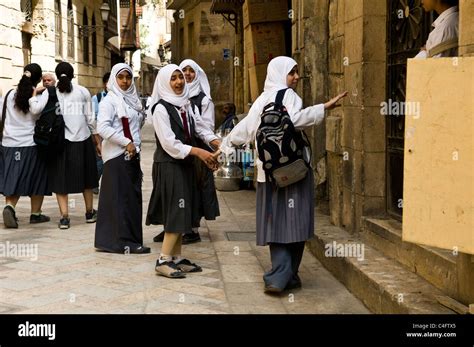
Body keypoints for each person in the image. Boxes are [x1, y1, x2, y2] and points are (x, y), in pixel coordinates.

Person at [220, 56, 347, 293]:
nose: (296, 77)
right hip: (294, 170)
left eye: (297, 72)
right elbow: (296, 120)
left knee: (274, 222)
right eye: (292, 73)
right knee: (296, 221)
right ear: (281, 74)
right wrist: (324, 107)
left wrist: (224, 145)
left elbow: (246, 129)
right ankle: (280, 276)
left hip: (268, 173)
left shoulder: (261, 99)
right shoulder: (289, 96)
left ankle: (285, 274)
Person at [146, 64, 220, 278]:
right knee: (176, 210)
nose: (179, 82)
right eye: (174, 78)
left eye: (181, 77)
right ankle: (163, 260)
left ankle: (176, 257)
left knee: (185, 208)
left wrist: (215, 142)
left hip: (185, 164)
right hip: (170, 166)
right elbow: (170, 143)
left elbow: (200, 128)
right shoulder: (160, 109)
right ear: (164, 82)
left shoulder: (186, 105)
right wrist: (199, 152)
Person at [94, 63, 149, 254]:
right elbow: (102, 128)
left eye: (128, 77)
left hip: (132, 154)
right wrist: (126, 142)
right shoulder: (109, 101)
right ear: (114, 80)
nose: (125, 81)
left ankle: (124, 239)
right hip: (117, 156)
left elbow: (137, 123)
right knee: (121, 200)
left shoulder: (132, 100)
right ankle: (122, 242)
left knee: (130, 198)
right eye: (121, 77)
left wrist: (134, 144)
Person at [48, 62, 99, 229]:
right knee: (87, 177)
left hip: (60, 142)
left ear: (57, 75)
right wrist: (97, 141)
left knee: (61, 179)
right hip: (83, 140)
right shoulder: (83, 91)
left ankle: (64, 217)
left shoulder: (51, 93)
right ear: (72, 75)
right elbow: (90, 118)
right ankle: (90, 213)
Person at [0, 63, 51, 228]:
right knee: (37, 177)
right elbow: (38, 112)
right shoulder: (38, 96)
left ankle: (10, 206)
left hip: (8, 144)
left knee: (13, 176)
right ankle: (35, 214)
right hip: (30, 144)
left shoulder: (8, 95)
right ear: (38, 80)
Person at [91, 72, 110, 194]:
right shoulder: (96, 98)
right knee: (99, 162)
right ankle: (94, 183)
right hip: (100, 135)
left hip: (114, 137)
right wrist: (97, 140)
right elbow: (92, 120)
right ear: (104, 84)